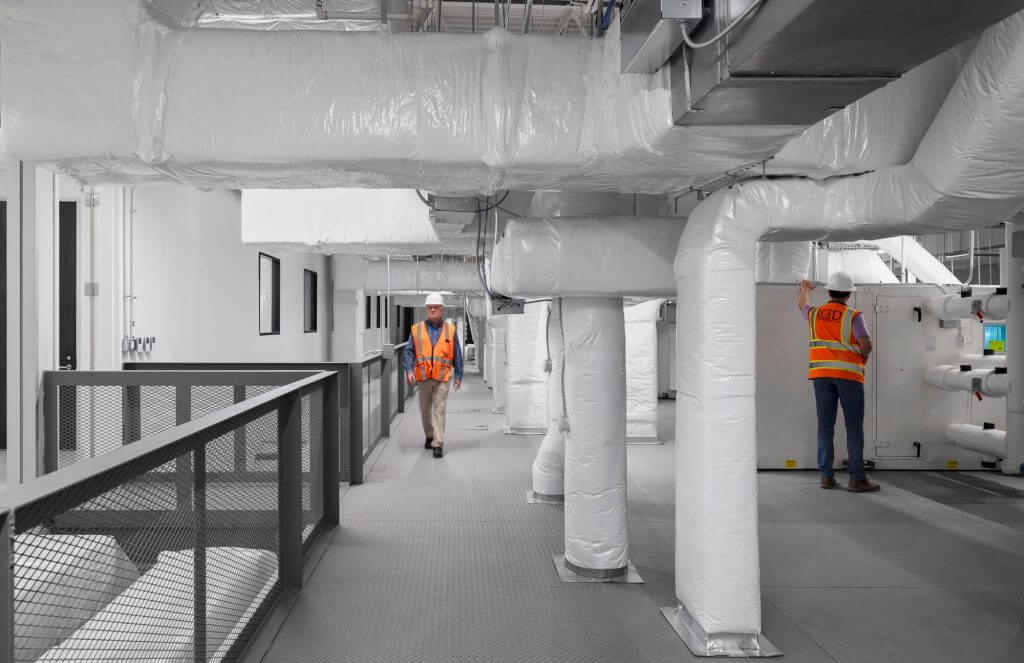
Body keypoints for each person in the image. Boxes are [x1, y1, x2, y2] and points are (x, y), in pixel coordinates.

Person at [799, 272, 880, 493]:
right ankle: (856, 479)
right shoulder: (854, 316)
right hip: (849, 377)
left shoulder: (815, 314)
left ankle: (826, 476)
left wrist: (805, 288)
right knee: (853, 427)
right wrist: (863, 357)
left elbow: (803, 306)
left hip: (821, 375)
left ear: (829, 291)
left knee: (825, 426)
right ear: (848, 294)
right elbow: (866, 344)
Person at [403, 292, 463, 458]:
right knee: (425, 410)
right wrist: (409, 371)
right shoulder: (417, 329)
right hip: (423, 378)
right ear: (426, 309)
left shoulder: (450, 331)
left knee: (440, 409)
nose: (433, 310)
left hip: (442, 378)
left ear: (442, 309)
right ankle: (429, 435)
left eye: (436, 307)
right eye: (430, 308)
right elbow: (408, 351)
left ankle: (438, 443)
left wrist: (458, 375)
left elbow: (457, 354)